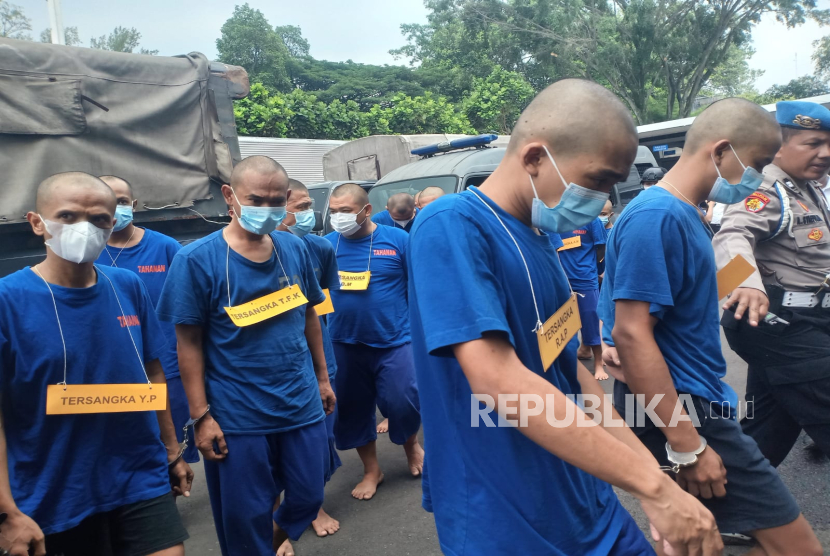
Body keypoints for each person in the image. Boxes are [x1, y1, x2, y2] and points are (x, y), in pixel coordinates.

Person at [408, 79, 722, 556]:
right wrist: (655, 490)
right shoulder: (452, 223)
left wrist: (654, 484)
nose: (603, 198)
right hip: (507, 517)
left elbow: (572, 372)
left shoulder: (540, 237)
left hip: (583, 498)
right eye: (597, 180)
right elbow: (498, 379)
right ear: (535, 157)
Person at [601, 98, 822, 555]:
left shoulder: (685, 213)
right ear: (722, 151)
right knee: (797, 545)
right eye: (758, 163)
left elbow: (696, 287)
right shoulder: (656, 217)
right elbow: (630, 333)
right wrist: (687, 447)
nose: (760, 175)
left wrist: (752, 285)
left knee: (696, 539)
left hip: (694, 402)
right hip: (687, 409)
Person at [0, 172, 191, 556]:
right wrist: (6, 512)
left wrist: (172, 449)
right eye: (68, 216)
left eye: (99, 219)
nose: (85, 228)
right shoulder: (8, 301)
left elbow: (151, 370)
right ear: (37, 223)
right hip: (53, 492)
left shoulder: (127, 285)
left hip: (138, 475)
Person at [157, 156, 335, 556]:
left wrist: (322, 378)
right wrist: (201, 416)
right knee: (244, 515)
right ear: (229, 196)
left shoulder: (294, 248)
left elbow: (309, 314)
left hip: (299, 401)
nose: (267, 209)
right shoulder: (196, 260)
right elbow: (187, 344)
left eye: (276, 200)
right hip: (238, 413)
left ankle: (268, 544)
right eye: (256, 199)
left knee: (308, 494)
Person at [713, 100, 830, 468]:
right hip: (782, 325)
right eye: (813, 144)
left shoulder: (806, 188)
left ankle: (714, 513)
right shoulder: (766, 187)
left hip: (797, 323)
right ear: (779, 145)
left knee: (767, 433)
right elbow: (732, 233)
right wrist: (744, 284)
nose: (825, 153)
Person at [325, 183, 423, 501]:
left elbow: (419, 287)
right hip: (344, 343)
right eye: (334, 211)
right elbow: (317, 297)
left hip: (395, 339)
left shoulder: (398, 241)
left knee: (403, 399)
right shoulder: (326, 246)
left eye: (346, 211)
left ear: (366, 210)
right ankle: (372, 470)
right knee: (352, 409)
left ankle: (411, 445)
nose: (338, 217)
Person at [95, 175, 199, 467]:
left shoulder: (166, 248)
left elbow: (189, 310)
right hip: (114, 371)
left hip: (167, 368)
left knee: (172, 446)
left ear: (135, 205)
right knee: (126, 445)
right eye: (106, 203)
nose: (115, 209)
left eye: (122, 202)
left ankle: (168, 500)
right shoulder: (85, 252)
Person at [274, 178, 341, 556]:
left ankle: (310, 505)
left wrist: (323, 372)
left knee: (316, 445)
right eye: (297, 206)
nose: (305, 214)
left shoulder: (317, 247)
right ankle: (279, 527)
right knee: (270, 455)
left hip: (317, 360)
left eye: (306, 206)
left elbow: (319, 310)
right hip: (267, 374)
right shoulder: (225, 255)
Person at [557, 217, 609, 381]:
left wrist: (598, 271)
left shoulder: (592, 219)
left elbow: (601, 248)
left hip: (585, 278)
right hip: (561, 279)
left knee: (591, 321)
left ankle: (598, 363)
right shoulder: (553, 217)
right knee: (563, 323)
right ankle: (575, 358)